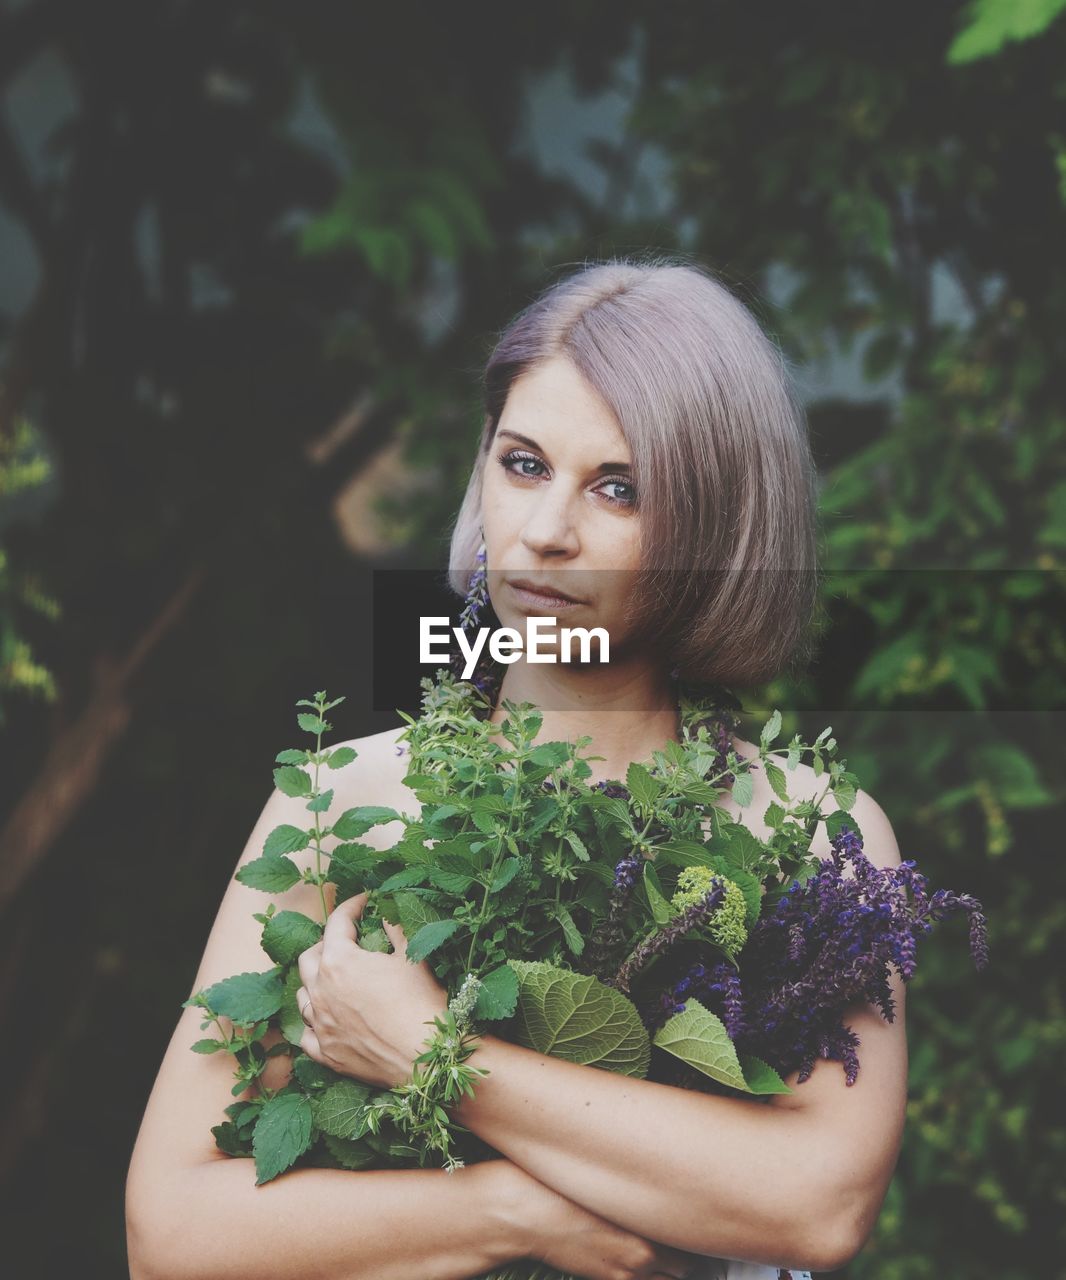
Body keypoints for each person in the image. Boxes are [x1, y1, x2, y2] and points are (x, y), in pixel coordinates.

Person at [126, 256, 908, 1280]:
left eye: (618, 489)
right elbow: (170, 1232)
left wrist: (425, 1051)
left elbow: (820, 1201)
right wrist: (511, 1208)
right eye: (524, 463)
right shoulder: (340, 803)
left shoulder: (807, 829)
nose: (545, 533)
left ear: (715, 527)